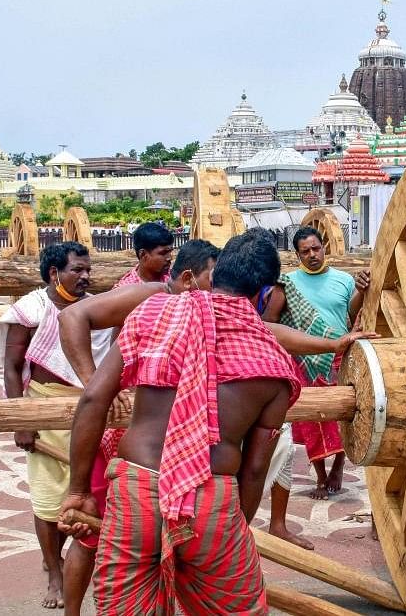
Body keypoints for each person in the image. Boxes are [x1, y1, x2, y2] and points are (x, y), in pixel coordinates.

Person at [59, 229, 301, 614]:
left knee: (124, 606)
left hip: (136, 489)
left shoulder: (157, 313)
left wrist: (78, 490)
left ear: (216, 271)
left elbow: (93, 398)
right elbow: (255, 470)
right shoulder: (273, 362)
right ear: (264, 293)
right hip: (211, 497)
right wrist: (229, 527)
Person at [55, 239, 219, 616]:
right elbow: (71, 317)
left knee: (157, 547)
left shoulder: (201, 306)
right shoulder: (154, 294)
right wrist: (94, 381)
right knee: (92, 537)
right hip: (123, 436)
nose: (218, 289)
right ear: (190, 278)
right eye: (214, 278)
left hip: (162, 447)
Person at [0, 242, 117, 610]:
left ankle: (85, 559)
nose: (85, 277)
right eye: (76, 270)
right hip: (43, 406)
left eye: (87, 270)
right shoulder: (30, 309)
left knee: (91, 491)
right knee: (48, 498)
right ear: (54, 273)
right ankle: (54, 569)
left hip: (88, 408)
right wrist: (22, 419)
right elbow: (13, 367)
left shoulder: (94, 308)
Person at [262, 226, 367, 500]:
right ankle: (320, 473)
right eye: (305, 251)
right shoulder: (288, 283)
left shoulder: (344, 280)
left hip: (338, 357)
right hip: (303, 360)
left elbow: (351, 314)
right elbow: (270, 322)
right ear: (298, 255)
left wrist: (361, 291)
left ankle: (339, 465)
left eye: (316, 249)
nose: (312, 255)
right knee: (311, 420)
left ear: (324, 248)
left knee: (342, 414)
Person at [114, 221, 175, 288]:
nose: (169, 258)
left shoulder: (175, 279)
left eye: (170, 252)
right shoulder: (124, 292)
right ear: (143, 254)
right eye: (163, 253)